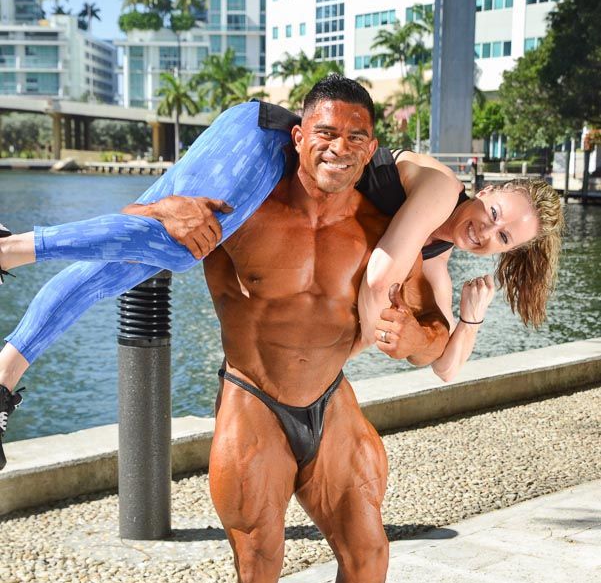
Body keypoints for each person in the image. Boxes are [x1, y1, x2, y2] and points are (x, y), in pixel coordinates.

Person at [0, 89, 563, 469]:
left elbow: (444, 368)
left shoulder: (437, 251)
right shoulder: (440, 189)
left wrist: (470, 318)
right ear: (485, 190)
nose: (486, 232)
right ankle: (10, 248)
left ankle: (5, 374)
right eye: (494, 213)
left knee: (120, 269)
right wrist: (362, 337)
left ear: (507, 253)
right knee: (182, 244)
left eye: (503, 239)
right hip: (267, 140)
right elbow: (380, 276)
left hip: (280, 152)